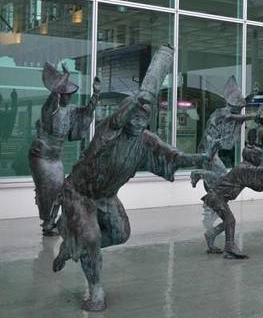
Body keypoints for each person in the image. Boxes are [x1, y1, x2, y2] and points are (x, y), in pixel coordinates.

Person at [52, 45, 209, 312]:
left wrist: (200, 159)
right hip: (79, 192)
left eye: (144, 115)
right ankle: (96, 289)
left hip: (106, 196)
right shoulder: (109, 130)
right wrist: (139, 97)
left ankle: (74, 247)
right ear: (127, 111)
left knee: (120, 233)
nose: (138, 119)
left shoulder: (146, 142)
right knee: (91, 237)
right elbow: (117, 119)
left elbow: (173, 157)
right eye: (135, 113)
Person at [28, 64, 99, 235]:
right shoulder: (49, 109)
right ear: (60, 94)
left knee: (60, 190)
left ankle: (50, 223)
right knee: (48, 189)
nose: (69, 97)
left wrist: (96, 94)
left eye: (70, 94)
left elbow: (87, 112)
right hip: (41, 156)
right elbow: (54, 94)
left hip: (55, 157)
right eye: (66, 94)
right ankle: (47, 222)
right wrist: (64, 77)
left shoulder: (71, 111)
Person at [191, 142, 263, 259]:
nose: (261, 159)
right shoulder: (243, 168)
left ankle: (211, 234)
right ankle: (229, 249)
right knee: (230, 220)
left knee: (228, 221)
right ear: (252, 157)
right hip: (216, 197)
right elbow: (262, 171)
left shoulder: (247, 169)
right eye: (259, 156)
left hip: (217, 198)